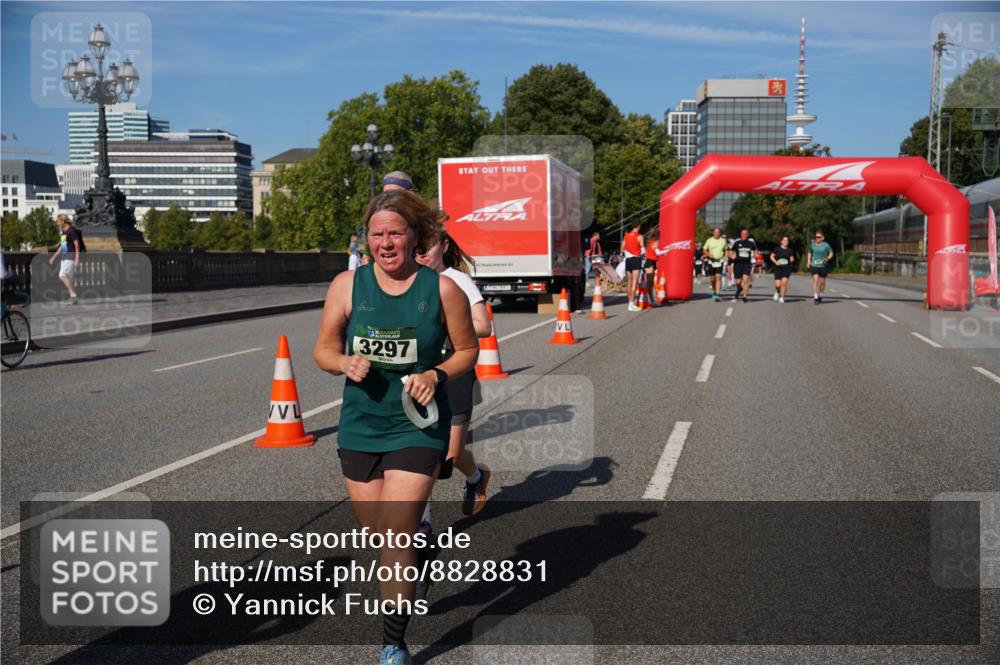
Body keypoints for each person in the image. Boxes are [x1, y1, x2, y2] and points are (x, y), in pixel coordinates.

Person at [313, 190, 478, 665]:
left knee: (395, 535)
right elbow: (322, 350)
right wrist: (343, 362)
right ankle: (422, 552)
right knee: (379, 534)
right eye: (377, 233)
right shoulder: (347, 285)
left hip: (417, 424)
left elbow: (467, 351)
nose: (386, 243)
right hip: (361, 424)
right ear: (366, 240)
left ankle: (393, 643)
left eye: (395, 233)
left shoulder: (442, 289)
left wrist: (435, 374)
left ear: (414, 237)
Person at [415, 230, 492, 527]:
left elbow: (483, 326)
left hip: (455, 371)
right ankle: (423, 523)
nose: (422, 254)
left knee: (451, 453)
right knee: (419, 453)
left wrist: (446, 327)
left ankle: (476, 476)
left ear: (444, 247)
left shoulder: (457, 281)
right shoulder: (411, 282)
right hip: (421, 374)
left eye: (429, 247)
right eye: (417, 248)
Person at [48, 214, 81, 304]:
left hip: (70, 257)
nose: (57, 223)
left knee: (62, 275)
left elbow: (77, 245)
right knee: (69, 279)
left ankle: (74, 296)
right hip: (64, 257)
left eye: (58, 221)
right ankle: (73, 299)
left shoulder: (71, 231)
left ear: (63, 221)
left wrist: (77, 258)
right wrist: (54, 257)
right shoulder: (64, 232)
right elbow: (62, 247)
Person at [728, 228, 757, 303]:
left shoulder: (751, 243)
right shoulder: (737, 242)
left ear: (748, 235)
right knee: (738, 282)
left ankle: (744, 296)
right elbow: (730, 250)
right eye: (742, 233)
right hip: (737, 264)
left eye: (745, 234)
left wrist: (756, 255)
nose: (744, 235)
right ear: (740, 234)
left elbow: (755, 250)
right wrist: (732, 256)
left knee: (745, 280)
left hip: (747, 264)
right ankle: (739, 288)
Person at [622, 223, 644, 311]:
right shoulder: (640, 236)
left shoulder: (626, 236)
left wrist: (628, 253)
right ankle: (631, 305)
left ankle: (629, 302)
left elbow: (622, 248)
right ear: (638, 226)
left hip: (628, 260)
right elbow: (642, 251)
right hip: (636, 259)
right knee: (635, 282)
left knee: (629, 282)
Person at [702, 228, 728, 301]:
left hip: (720, 261)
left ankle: (717, 293)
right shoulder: (709, 240)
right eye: (715, 232)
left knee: (718, 277)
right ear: (713, 233)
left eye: (718, 232)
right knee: (713, 279)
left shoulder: (723, 241)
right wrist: (708, 254)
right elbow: (704, 249)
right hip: (711, 261)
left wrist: (726, 257)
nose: (717, 233)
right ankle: (714, 291)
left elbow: (726, 249)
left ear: (720, 233)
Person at [809, 230, 835, 304]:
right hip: (814, 265)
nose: (817, 238)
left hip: (823, 266)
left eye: (819, 237)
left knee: (822, 283)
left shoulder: (826, 245)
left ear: (823, 238)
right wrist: (808, 261)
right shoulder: (813, 244)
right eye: (816, 237)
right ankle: (815, 297)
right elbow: (809, 252)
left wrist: (827, 258)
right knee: (815, 280)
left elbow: (831, 253)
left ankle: (820, 295)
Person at [769, 236, 796, 303]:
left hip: (787, 268)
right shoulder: (777, 249)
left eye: (787, 240)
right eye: (784, 240)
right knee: (778, 285)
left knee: (784, 283)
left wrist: (792, 259)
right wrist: (775, 262)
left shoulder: (790, 250)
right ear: (781, 241)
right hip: (778, 268)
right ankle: (777, 292)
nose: (785, 242)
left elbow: (792, 257)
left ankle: (782, 297)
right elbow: (771, 256)